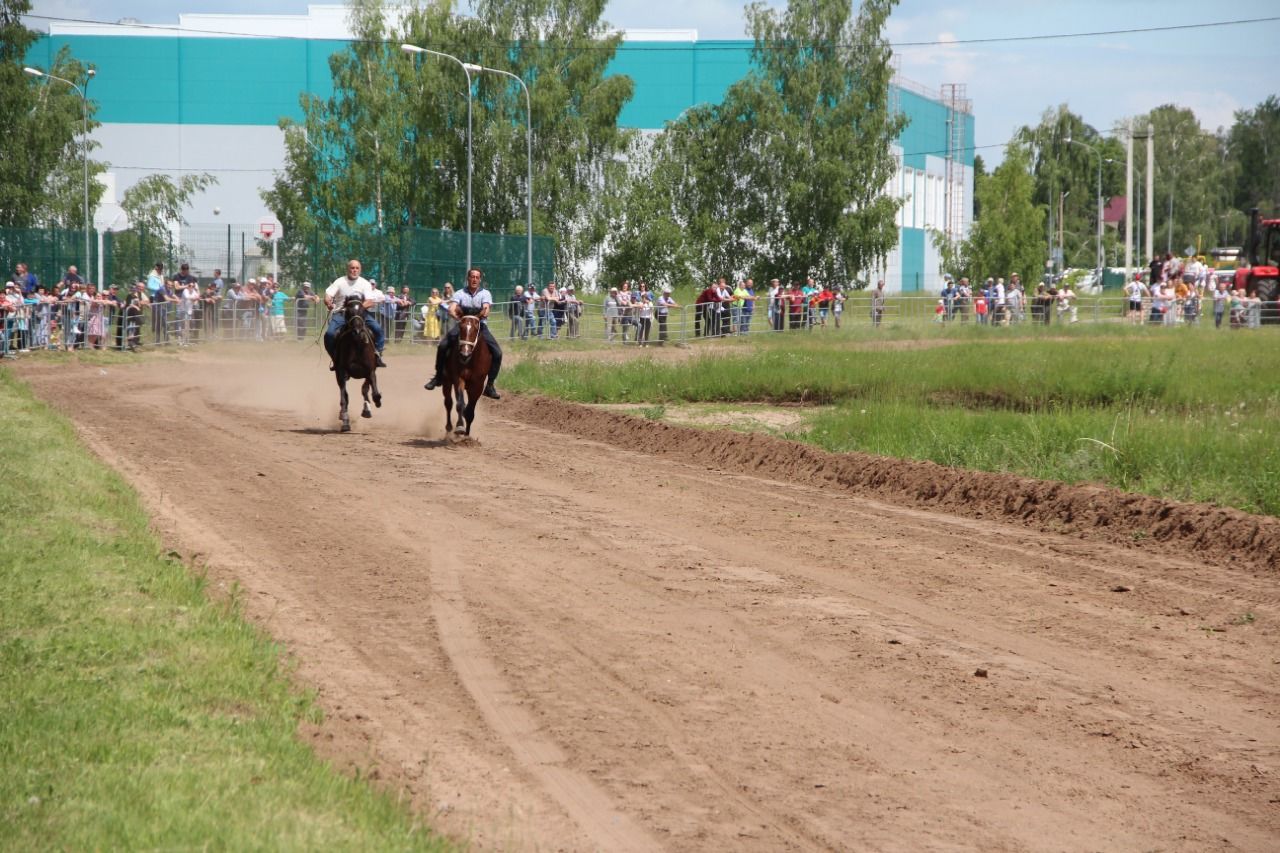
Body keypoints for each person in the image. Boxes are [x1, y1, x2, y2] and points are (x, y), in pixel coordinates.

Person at [424, 267, 502, 399]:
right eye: (472, 277)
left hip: (480, 325)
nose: (474, 279)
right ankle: (438, 377)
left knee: (497, 353)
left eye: (477, 277)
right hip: (463, 325)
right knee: (442, 346)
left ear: (480, 279)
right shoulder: (460, 293)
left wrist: (480, 316)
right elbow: (452, 308)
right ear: (468, 278)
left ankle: (489, 385)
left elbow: (486, 309)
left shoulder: (485, 294)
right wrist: (459, 318)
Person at [323, 259, 386, 368]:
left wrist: (356, 309)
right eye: (352, 268)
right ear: (348, 269)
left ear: (360, 270)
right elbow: (328, 295)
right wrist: (328, 302)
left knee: (378, 330)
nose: (354, 270)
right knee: (329, 334)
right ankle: (335, 357)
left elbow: (369, 301)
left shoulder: (365, 283)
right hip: (341, 313)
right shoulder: (340, 281)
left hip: (360, 314)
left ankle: (377, 354)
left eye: (357, 268)